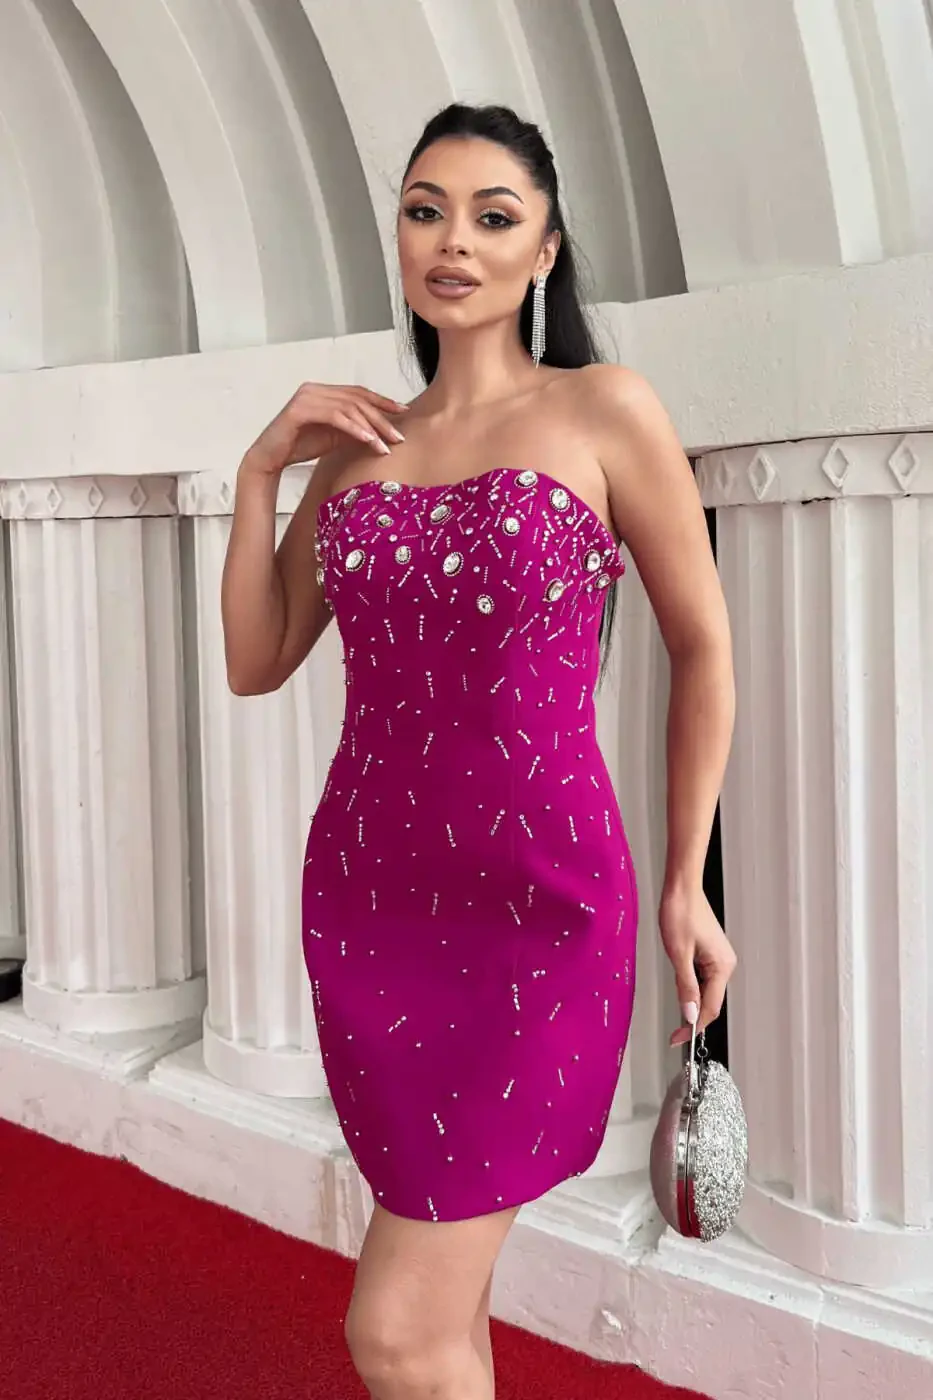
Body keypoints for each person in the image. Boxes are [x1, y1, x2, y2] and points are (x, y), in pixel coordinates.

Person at [221, 102, 736, 1400]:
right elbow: (256, 658)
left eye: (493, 217)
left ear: (545, 251)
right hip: (370, 902)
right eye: (425, 210)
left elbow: (703, 649)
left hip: (540, 909)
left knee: (393, 1331)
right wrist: (260, 471)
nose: (454, 240)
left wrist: (688, 883)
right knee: (442, 1322)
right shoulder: (355, 456)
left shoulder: (604, 408)